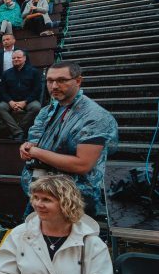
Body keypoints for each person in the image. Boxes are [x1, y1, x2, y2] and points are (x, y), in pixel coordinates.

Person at [19, 61, 119, 217]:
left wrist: (36, 152)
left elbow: (82, 165)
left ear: (78, 81)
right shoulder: (48, 110)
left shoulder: (95, 117)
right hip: (41, 190)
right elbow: (35, 138)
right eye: (50, 80)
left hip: (74, 198)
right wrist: (27, 147)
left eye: (61, 80)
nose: (54, 86)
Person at [0, 51, 43, 141]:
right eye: (13, 58)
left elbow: (37, 90)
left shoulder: (34, 72)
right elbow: (2, 91)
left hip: (28, 100)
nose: (16, 59)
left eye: (18, 57)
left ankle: (19, 130)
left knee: (36, 107)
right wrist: (10, 102)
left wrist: (25, 102)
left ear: (24, 58)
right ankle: (18, 132)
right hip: (10, 101)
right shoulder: (6, 73)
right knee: (0, 108)